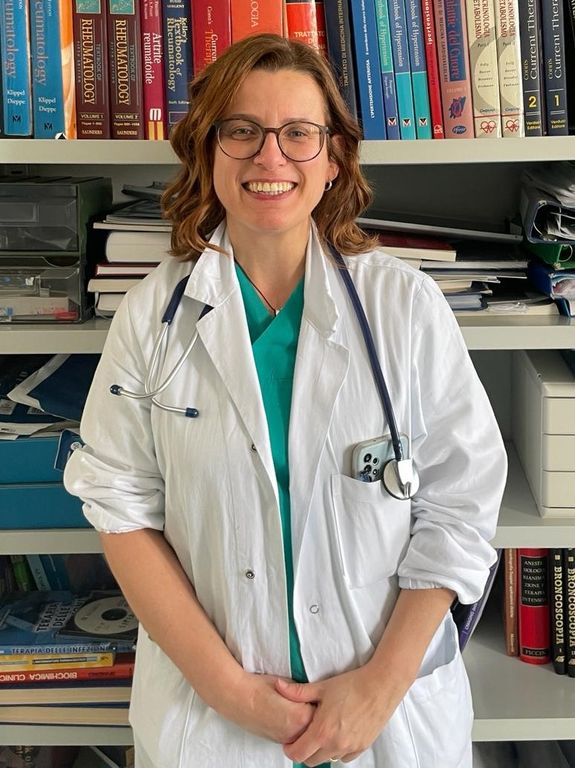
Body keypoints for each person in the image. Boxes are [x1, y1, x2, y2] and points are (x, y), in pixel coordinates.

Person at [64, 33, 507, 768]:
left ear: (333, 159)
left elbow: (459, 504)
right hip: (215, 721)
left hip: (386, 717)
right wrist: (228, 691)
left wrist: (379, 688)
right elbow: (119, 506)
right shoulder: (152, 315)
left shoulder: (404, 307)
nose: (270, 157)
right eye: (241, 130)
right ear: (207, 153)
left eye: (298, 133)